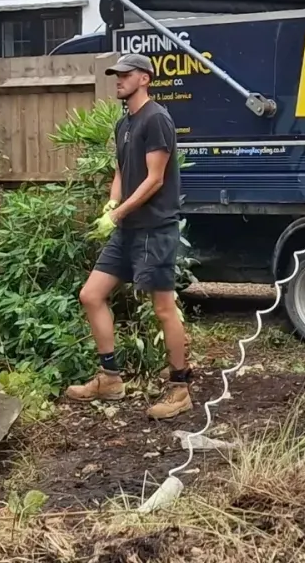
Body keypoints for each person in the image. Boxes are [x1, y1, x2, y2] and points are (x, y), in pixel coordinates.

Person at [65, 52, 192, 419]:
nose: (118, 79)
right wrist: (111, 204)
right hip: (127, 228)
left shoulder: (157, 119)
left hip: (155, 228)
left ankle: (180, 388)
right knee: (91, 295)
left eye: (125, 74)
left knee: (164, 308)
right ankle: (110, 378)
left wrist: (119, 212)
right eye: (116, 74)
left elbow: (155, 178)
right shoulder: (124, 123)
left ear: (145, 79)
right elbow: (122, 170)